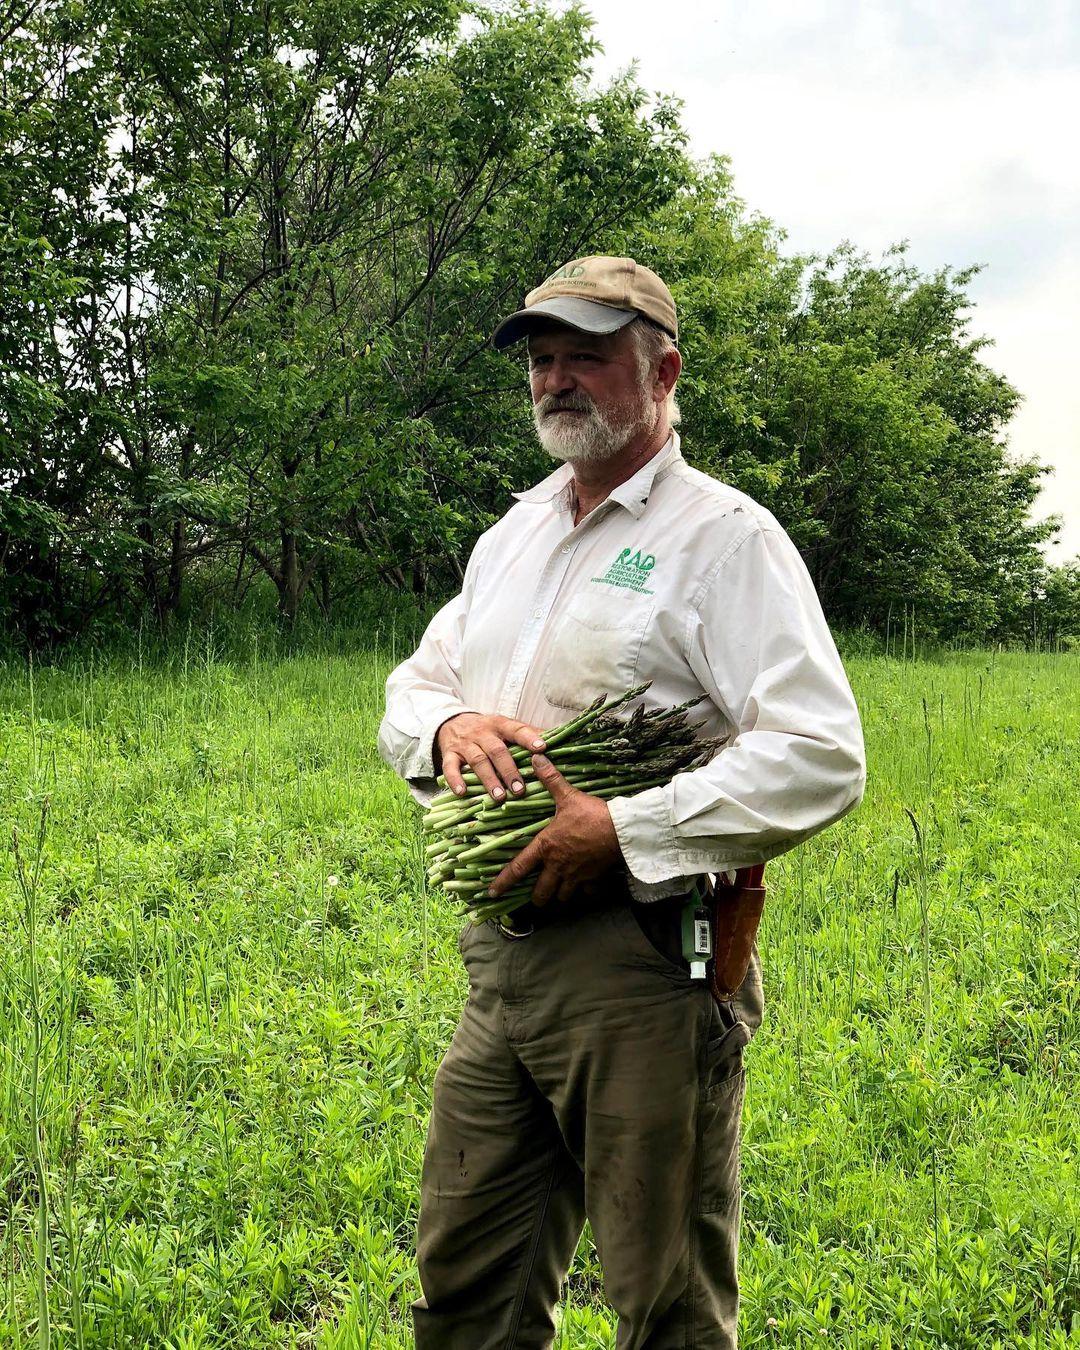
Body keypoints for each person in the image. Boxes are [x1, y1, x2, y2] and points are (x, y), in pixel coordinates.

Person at [377, 254, 866, 1349]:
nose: (556, 381)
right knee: (467, 1284)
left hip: (646, 962)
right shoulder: (514, 536)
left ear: (663, 371)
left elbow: (821, 753)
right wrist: (450, 728)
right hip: (502, 960)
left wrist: (625, 828)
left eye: (586, 358)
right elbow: (417, 687)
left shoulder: (723, 539)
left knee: (664, 1303)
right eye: (543, 361)